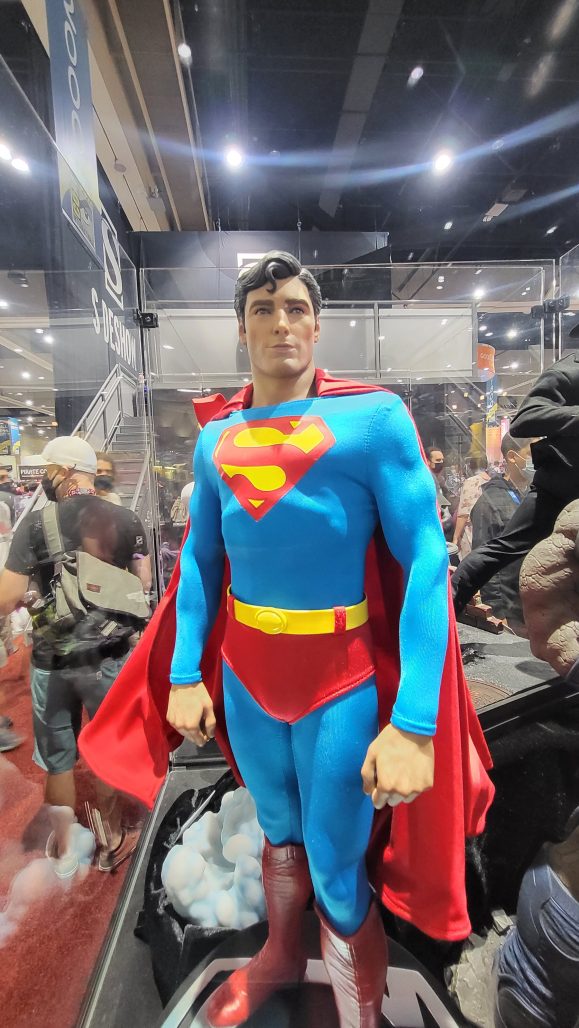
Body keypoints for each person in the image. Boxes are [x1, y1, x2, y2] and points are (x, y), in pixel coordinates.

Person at [79, 251, 493, 1027]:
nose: (280, 323)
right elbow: (200, 562)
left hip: (339, 679)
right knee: (279, 831)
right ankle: (277, 952)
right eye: (262, 309)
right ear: (241, 329)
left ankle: (358, 1012)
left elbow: (424, 559)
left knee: (336, 865)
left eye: (296, 307)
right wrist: (184, 673)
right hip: (246, 677)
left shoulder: (372, 421)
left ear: (317, 323)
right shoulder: (215, 439)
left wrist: (413, 722)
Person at [0, 436, 152, 870]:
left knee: (58, 759)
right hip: (109, 655)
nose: (43, 479)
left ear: (64, 471)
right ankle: (111, 837)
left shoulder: (35, 525)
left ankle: (65, 847)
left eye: (48, 470)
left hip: (52, 658)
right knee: (106, 746)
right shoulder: (127, 519)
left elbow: (7, 597)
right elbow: (141, 582)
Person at [452, 349, 579, 617]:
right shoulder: (569, 370)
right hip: (561, 486)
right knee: (503, 548)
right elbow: (525, 419)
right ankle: (444, 612)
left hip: (563, 483)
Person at [451, 434, 534, 623]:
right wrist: (498, 612)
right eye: (531, 452)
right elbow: (485, 561)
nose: (539, 457)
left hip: (535, 599)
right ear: (512, 457)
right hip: (511, 608)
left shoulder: (535, 494)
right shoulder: (489, 502)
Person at [453, 456, 491, 560]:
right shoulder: (490, 480)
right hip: (486, 530)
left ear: (470, 466)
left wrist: (455, 538)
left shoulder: (471, 482)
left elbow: (464, 513)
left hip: (471, 531)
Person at [426, 446, 453, 533]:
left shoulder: (440, 478)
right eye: (438, 460)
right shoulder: (429, 479)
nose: (441, 462)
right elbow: (441, 505)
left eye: (442, 460)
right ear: (428, 461)